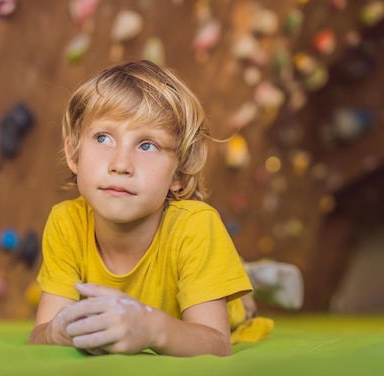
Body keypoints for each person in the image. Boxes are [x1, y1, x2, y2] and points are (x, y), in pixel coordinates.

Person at [28, 60, 270, 357]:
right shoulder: (66, 222)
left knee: (241, 303)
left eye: (147, 145)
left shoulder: (196, 227)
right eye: (103, 137)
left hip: (231, 307)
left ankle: (253, 276)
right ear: (73, 153)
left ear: (179, 176)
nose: (120, 165)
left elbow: (217, 344)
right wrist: (59, 331)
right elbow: (41, 333)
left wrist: (153, 329)